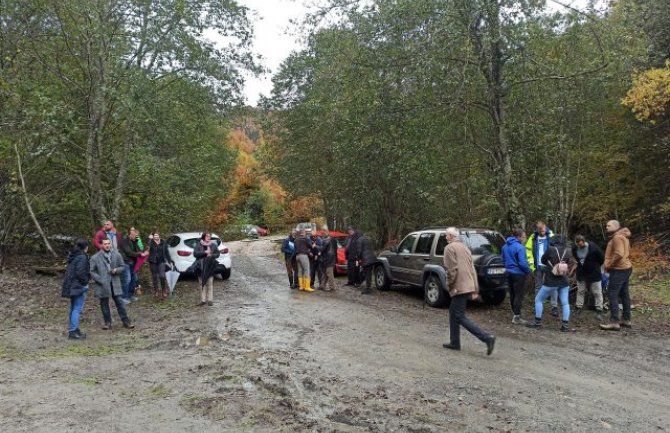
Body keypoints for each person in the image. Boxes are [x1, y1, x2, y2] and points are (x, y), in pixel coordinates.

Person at [442, 227, 496, 355]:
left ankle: (487, 338)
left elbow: (452, 270)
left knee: (459, 315)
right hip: (468, 285)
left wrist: (449, 285)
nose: (445, 237)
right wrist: (475, 287)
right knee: (453, 313)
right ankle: (454, 342)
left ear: (450, 236)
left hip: (459, 286)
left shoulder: (449, 248)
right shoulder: (465, 248)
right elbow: (472, 269)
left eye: (446, 235)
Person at [527, 235, 574, 332]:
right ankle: (565, 326)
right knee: (565, 303)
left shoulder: (550, 250)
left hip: (551, 281)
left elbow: (543, 260)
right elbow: (568, 263)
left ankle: (537, 322)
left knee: (538, 299)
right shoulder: (568, 251)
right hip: (564, 281)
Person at [90, 238, 134, 329]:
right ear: (102, 245)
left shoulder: (117, 255)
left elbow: (122, 266)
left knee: (120, 303)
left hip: (115, 283)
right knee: (104, 304)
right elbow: (91, 271)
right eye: (105, 244)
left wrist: (116, 270)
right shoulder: (95, 257)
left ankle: (126, 322)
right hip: (103, 284)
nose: (107, 245)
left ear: (110, 244)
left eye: (108, 243)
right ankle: (107, 323)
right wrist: (100, 279)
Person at [600, 220, 633, 331]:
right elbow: (628, 252)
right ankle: (626, 319)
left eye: (608, 225)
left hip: (619, 269)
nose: (606, 227)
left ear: (615, 226)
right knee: (624, 293)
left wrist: (609, 264)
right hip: (626, 268)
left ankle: (614, 321)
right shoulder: (624, 237)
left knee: (612, 293)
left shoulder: (617, 237)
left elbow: (619, 253)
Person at [526, 221, 559, 316]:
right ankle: (537, 306)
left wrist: (555, 264)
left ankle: (554, 307)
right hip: (538, 266)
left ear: (545, 227)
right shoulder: (533, 237)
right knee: (538, 287)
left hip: (550, 266)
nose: (541, 233)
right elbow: (528, 251)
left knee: (553, 286)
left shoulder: (552, 236)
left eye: (543, 231)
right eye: (540, 231)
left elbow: (557, 250)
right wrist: (532, 265)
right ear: (537, 229)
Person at [61, 239, 90, 340]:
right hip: (78, 286)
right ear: (86, 247)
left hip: (72, 285)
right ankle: (73, 331)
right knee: (77, 308)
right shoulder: (82, 257)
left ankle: (74, 329)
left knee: (73, 308)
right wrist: (85, 282)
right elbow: (80, 272)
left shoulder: (74, 255)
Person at [502, 228, 532, 324]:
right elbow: (522, 263)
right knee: (518, 295)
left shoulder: (504, 246)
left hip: (508, 272)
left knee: (512, 294)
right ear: (518, 237)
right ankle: (517, 317)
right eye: (523, 237)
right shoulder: (520, 247)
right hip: (518, 274)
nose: (525, 239)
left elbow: (502, 259)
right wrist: (528, 271)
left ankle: (514, 314)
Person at [572, 234, 605, 320]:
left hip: (594, 272)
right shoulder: (574, 248)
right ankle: (578, 308)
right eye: (578, 245)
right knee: (580, 291)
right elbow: (577, 259)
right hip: (582, 272)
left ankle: (599, 310)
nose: (580, 246)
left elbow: (602, 258)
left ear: (584, 241)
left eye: (581, 244)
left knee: (597, 292)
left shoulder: (593, 247)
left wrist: (594, 266)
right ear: (576, 244)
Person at [120, 227, 148, 304]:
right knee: (127, 279)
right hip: (125, 262)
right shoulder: (124, 241)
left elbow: (139, 250)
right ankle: (123, 297)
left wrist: (143, 253)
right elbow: (128, 252)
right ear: (131, 234)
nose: (136, 237)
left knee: (133, 280)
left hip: (133, 263)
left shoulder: (136, 241)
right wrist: (140, 254)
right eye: (135, 235)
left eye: (137, 236)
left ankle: (130, 295)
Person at [193, 232, 220, 306]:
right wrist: (204, 252)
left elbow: (217, 254)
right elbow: (195, 254)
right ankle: (203, 300)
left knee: (210, 283)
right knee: (202, 284)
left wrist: (212, 255)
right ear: (204, 237)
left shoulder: (213, 245)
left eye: (209, 236)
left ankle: (210, 300)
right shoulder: (199, 245)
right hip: (201, 267)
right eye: (207, 236)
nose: (208, 237)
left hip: (210, 266)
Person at [148, 231, 171, 300]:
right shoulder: (151, 242)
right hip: (153, 261)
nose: (156, 237)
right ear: (153, 236)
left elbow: (167, 252)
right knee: (154, 277)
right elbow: (149, 247)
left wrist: (169, 261)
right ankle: (156, 291)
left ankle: (164, 290)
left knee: (162, 276)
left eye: (157, 235)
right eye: (154, 235)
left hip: (161, 261)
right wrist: (150, 239)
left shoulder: (163, 242)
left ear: (159, 236)